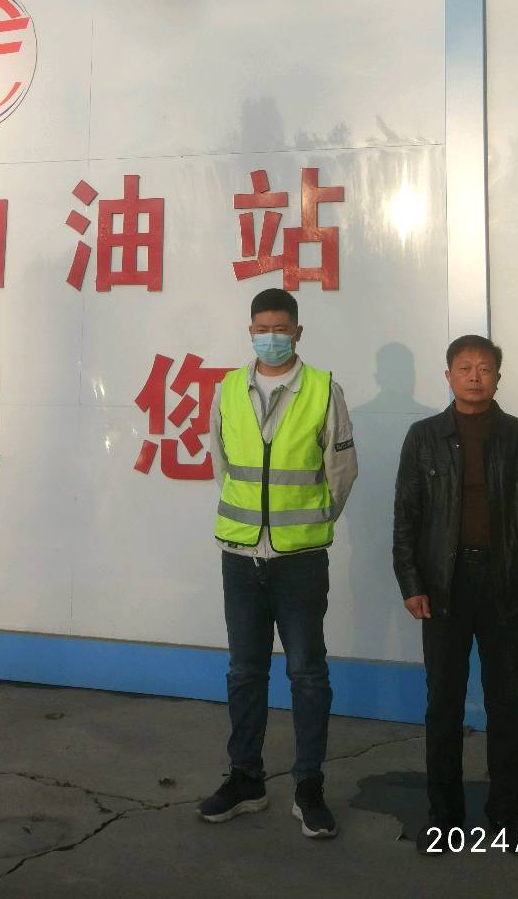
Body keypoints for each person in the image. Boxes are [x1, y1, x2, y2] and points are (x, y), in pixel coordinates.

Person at [198, 287, 357, 838]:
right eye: (261, 329)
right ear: (250, 332)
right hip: (241, 555)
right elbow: (222, 462)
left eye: (280, 329)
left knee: (307, 674)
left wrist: (311, 520)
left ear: (297, 332)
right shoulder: (227, 388)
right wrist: (252, 522)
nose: (270, 337)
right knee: (245, 671)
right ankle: (246, 779)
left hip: (300, 559)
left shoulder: (323, 389)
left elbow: (341, 472)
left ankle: (308, 786)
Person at [392, 334, 518, 854]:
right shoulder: (423, 437)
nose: (474, 376)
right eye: (464, 367)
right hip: (443, 586)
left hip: (506, 585)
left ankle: (507, 820)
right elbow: (406, 518)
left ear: (497, 378)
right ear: (448, 376)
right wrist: (411, 584)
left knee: (505, 706)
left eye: (484, 368)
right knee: (442, 705)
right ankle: (443, 819)